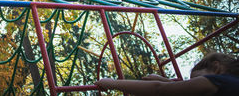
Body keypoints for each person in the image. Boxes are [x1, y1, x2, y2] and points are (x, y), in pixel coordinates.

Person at [95, 52, 239, 96]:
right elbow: (185, 91)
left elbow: (158, 89)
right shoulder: (231, 84)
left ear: (216, 68)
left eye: (195, 80)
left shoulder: (215, 81)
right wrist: (167, 81)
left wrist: (112, 83)